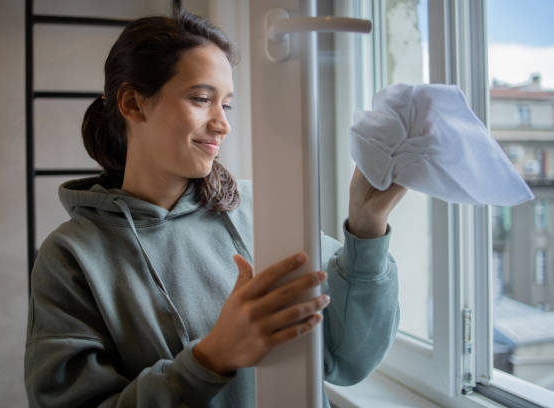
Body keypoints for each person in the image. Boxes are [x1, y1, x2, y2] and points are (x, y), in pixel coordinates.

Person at [24, 9, 407, 408]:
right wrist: (212, 357)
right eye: (202, 99)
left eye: (226, 105)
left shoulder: (264, 208)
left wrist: (367, 225)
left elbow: (345, 358)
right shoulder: (70, 258)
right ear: (133, 104)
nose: (222, 123)